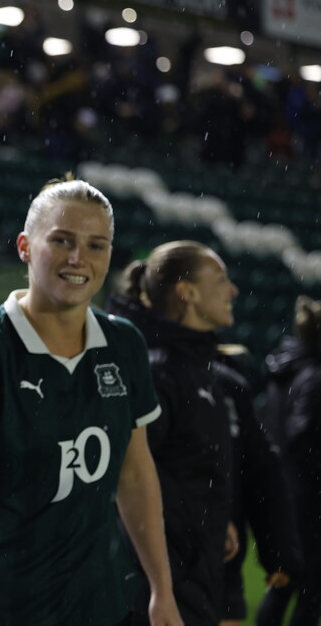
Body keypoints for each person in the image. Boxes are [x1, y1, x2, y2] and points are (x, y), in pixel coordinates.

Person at [0, 177, 182, 625]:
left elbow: (134, 474)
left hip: (99, 604)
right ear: (24, 246)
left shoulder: (124, 343)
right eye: (62, 240)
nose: (79, 259)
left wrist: (162, 590)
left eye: (97, 245)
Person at [106, 240, 241, 626]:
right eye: (220, 279)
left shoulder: (198, 368)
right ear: (187, 292)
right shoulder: (160, 371)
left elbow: (186, 467)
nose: (232, 290)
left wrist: (214, 520)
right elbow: (129, 475)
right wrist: (161, 583)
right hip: (162, 578)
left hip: (194, 567)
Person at [215, 344, 300, 626]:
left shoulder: (229, 388)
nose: (233, 295)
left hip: (221, 552)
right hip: (187, 552)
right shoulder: (154, 375)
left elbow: (261, 473)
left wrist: (278, 553)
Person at [256, 295, 321, 626]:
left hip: (283, 492)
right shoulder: (314, 374)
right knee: (311, 591)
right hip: (306, 497)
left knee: (284, 582)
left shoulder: (286, 367)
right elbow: (303, 436)